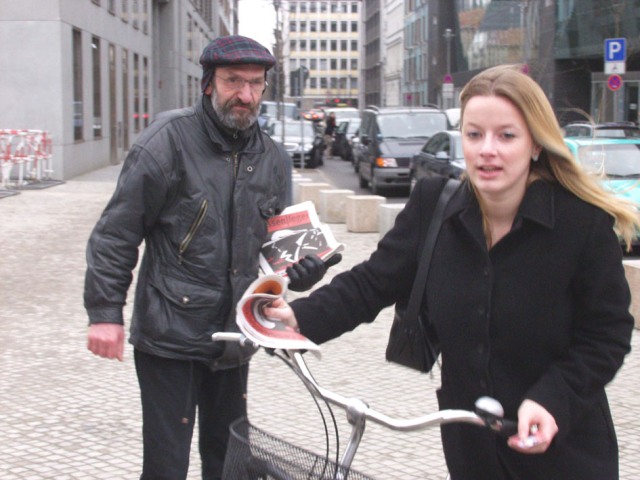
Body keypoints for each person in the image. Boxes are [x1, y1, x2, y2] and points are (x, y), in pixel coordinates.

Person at [264, 64, 637, 479]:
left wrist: (554, 399)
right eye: (474, 134)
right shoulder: (434, 205)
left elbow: (607, 333)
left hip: (566, 452)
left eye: (506, 136)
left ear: (536, 144)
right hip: (471, 450)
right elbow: (373, 281)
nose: (486, 149)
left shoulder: (581, 223)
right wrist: (296, 318)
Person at [84, 35, 338, 480]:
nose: (245, 95)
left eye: (255, 84)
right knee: (166, 467)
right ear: (208, 83)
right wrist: (105, 312)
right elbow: (116, 234)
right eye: (232, 81)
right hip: (170, 336)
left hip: (235, 338)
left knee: (228, 464)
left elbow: (273, 253)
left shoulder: (274, 158)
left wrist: (301, 274)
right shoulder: (166, 142)